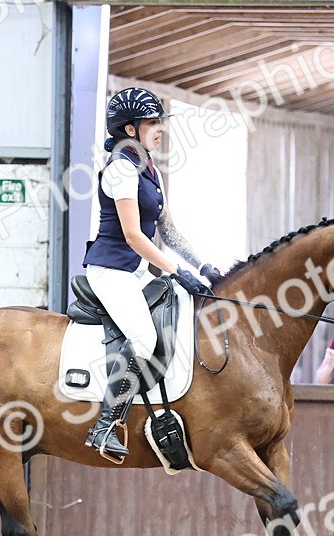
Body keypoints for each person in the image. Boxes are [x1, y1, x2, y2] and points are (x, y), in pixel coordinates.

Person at [81, 87, 221, 463]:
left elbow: (169, 231)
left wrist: (201, 264)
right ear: (130, 129)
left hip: (135, 271)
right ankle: (104, 426)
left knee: (185, 309)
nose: (160, 130)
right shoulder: (121, 169)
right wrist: (177, 272)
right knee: (143, 337)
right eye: (153, 123)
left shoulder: (148, 169)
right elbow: (132, 235)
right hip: (111, 270)